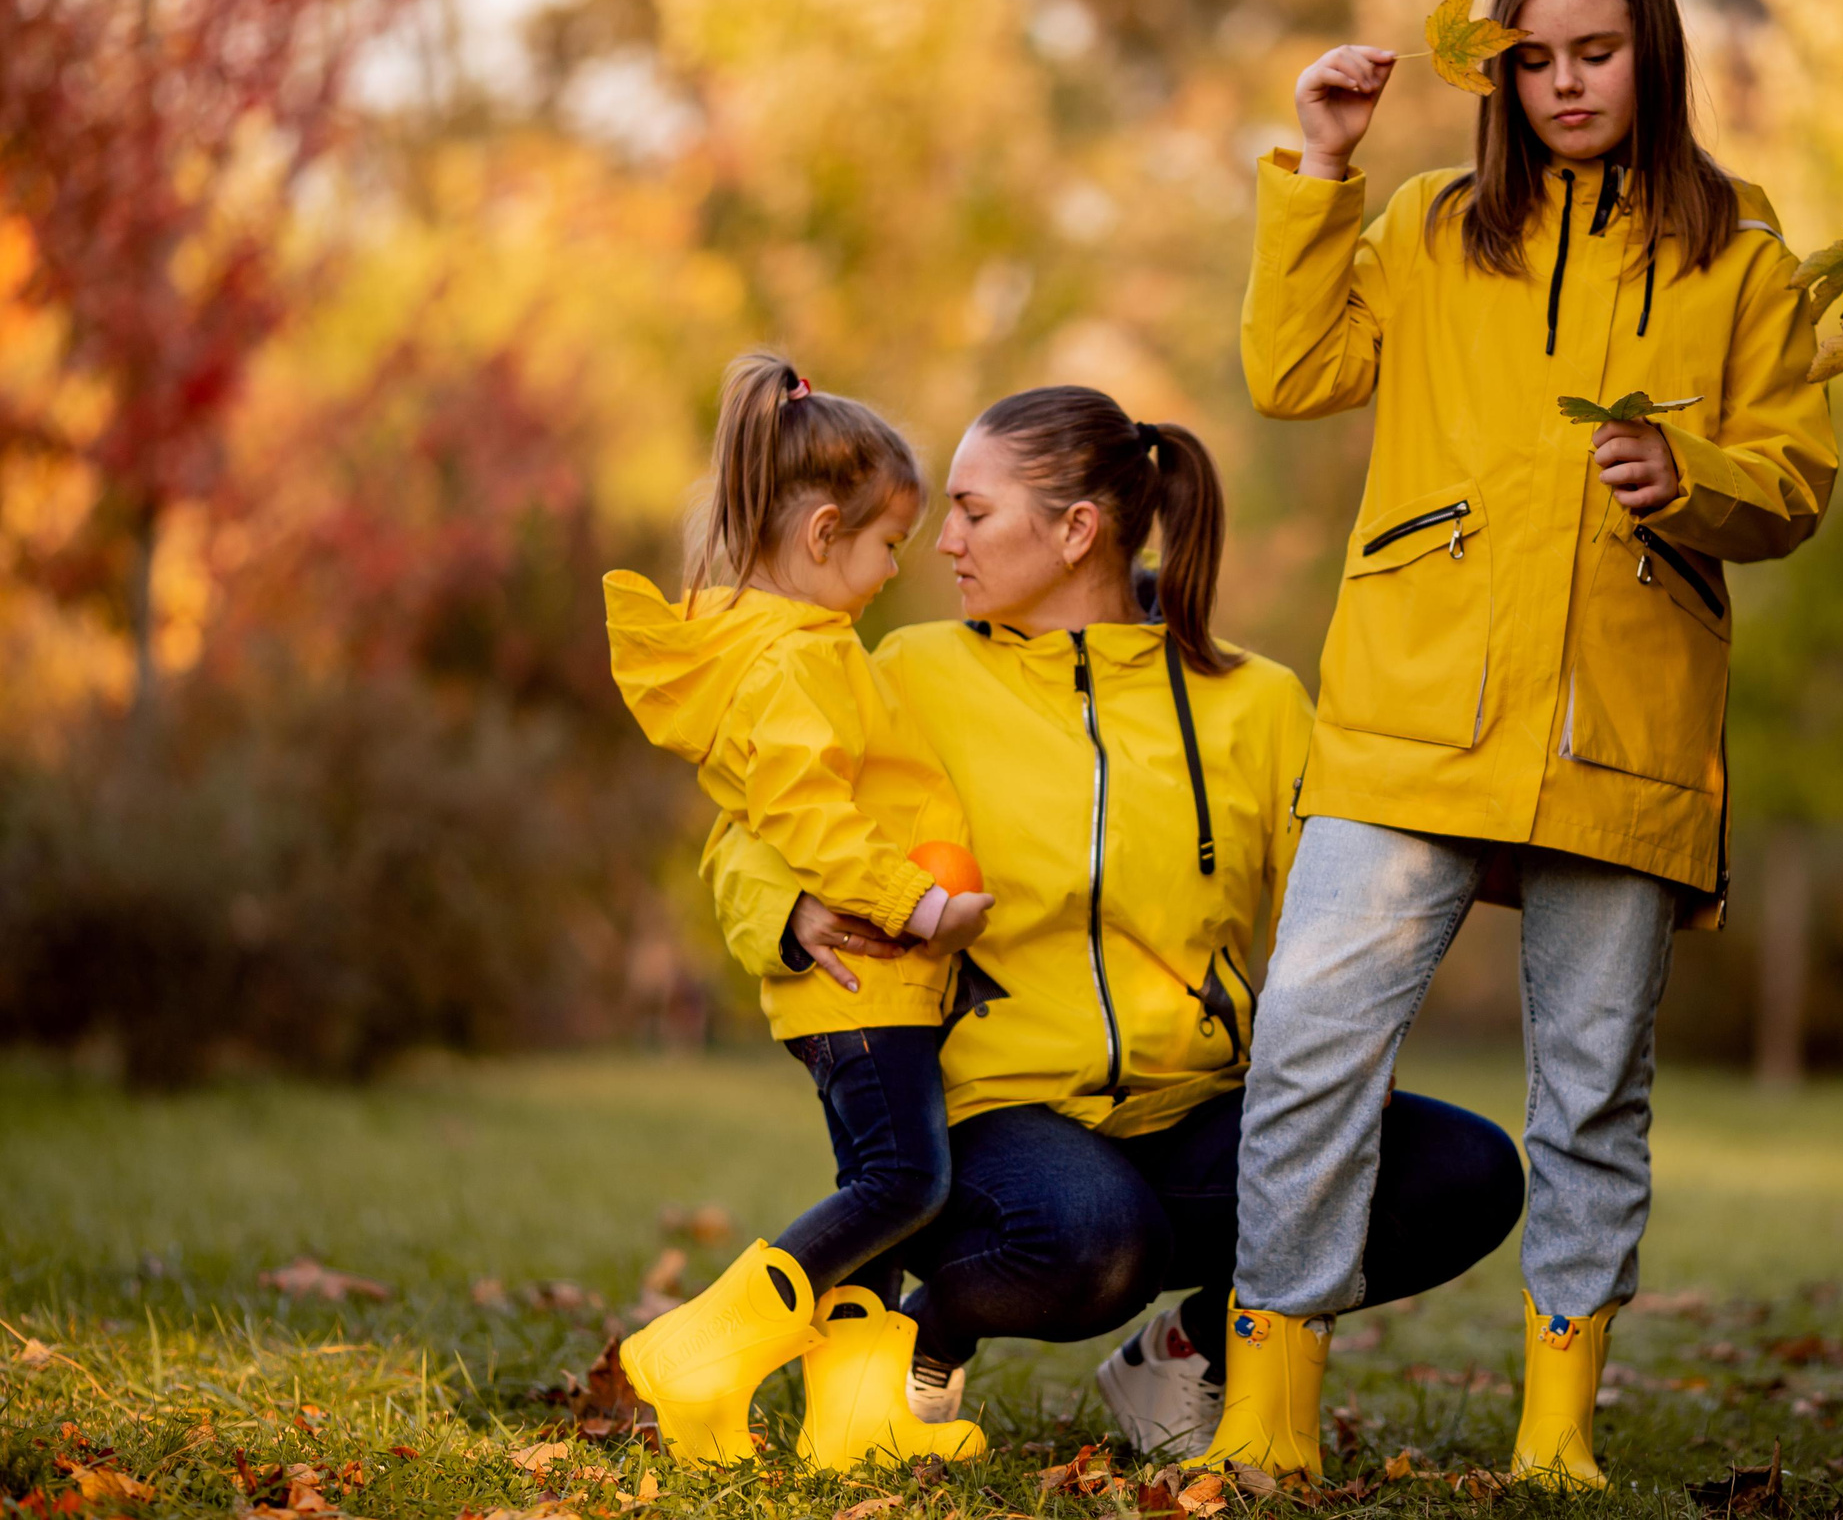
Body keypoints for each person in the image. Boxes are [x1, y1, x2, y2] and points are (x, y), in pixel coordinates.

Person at [1200, 0, 1837, 1489]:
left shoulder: (1743, 250)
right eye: (1535, 57)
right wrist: (1322, 164)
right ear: (1496, 69)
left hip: (1621, 727)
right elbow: (1291, 372)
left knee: (1593, 1087)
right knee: (1309, 1045)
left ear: (1653, 52)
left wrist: (1694, 472)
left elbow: (1797, 480)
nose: (1565, 83)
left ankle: (1557, 1435)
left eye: (1596, 52)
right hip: (1408, 712)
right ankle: (1268, 1408)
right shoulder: (1429, 224)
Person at [707, 386, 1527, 1459]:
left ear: (1077, 529)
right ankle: (930, 1332)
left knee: (1465, 1171)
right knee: (1096, 1240)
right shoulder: (908, 674)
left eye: (973, 511)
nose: (944, 541)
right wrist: (790, 905)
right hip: (992, 1116)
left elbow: (1349, 905)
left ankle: (1188, 1353)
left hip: (1199, 1109)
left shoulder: (1255, 703)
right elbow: (753, 827)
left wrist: (1357, 1039)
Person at [601, 352, 995, 1469]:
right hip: (865, 976)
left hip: (881, 981)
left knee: (882, 1194)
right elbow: (805, 813)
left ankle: (852, 1420)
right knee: (905, 1182)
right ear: (825, 533)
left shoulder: (811, 649)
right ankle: (701, 1345)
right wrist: (919, 904)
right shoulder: (789, 666)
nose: (896, 569)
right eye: (889, 545)